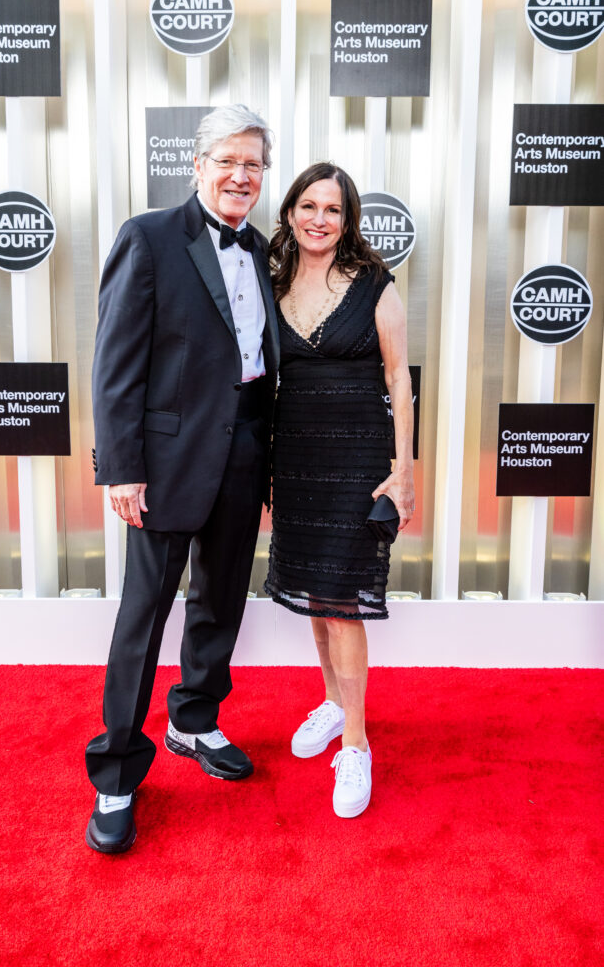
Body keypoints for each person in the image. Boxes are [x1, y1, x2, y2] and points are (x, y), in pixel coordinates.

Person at [85, 105, 279, 853]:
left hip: (241, 458)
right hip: (163, 467)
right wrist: (122, 469)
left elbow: (260, 365)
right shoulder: (148, 236)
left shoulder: (264, 248)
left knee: (220, 602)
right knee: (144, 617)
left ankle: (193, 722)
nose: (240, 176)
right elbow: (115, 364)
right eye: (227, 160)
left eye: (253, 165)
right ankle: (116, 776)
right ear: (196, 164)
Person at [264, 162, 414, 819]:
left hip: (356, 459)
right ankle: (330, 702)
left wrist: (402, 471)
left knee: (343, 600)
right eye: (308, 205)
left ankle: (355, 740)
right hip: (294, 458)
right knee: (316, 596)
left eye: (333, 208)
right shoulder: (268, 283)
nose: (319, 219)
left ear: (347, 219)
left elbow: (398, 380)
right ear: (291, 212)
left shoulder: (375, 286)